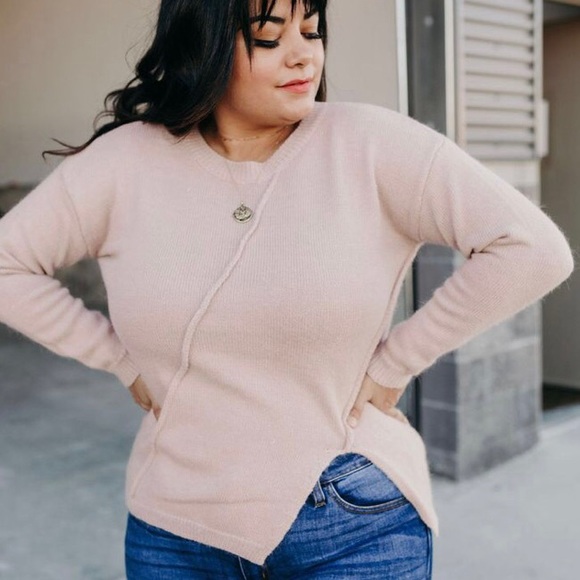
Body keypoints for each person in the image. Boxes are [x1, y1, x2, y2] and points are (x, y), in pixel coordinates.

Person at [0, 0, 574, 577]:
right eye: (268, 37)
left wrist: (397, 362)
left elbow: (532, 249)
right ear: (204, 46)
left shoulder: (371, 143)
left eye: (312, 31)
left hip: (351, 516)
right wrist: (120, 360)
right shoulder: (123, 162)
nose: (304, 56)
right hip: (174, 525)